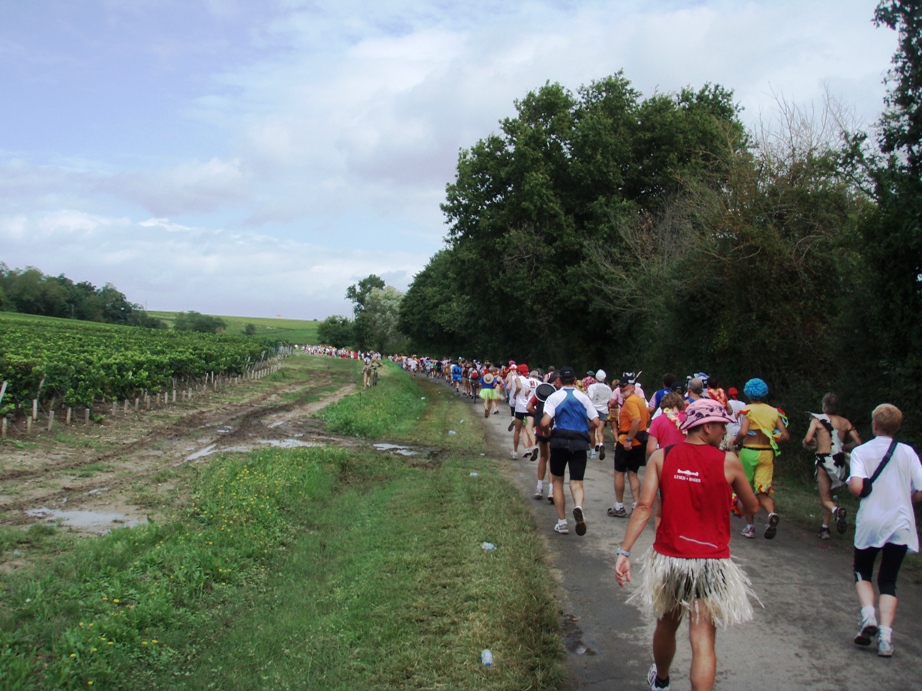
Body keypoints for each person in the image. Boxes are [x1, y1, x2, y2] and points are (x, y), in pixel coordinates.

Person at [614, 399, 760, 691]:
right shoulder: (727, 461)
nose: (724, 432)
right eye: (721, 426)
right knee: (703, 637)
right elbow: (752, 505)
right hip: (711, 562)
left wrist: (624, 552)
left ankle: (662, 681)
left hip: (671, 559)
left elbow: (644, 506)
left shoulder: (661, 457)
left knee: (666, 624)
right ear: (707, 427)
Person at [847, 404, 922, 657]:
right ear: (897, 427)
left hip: (871, 520)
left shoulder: (861, 451)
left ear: (874, 425)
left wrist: (856, 486)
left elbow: (857, 487)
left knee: (862, 570)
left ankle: (868, 615)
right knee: (889, 580)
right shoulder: (908, 453)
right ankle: (886, 639)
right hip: (900, 523)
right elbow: (920, 490)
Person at [540, 366, 601, 536]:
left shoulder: (554, 397)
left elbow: (545, 422)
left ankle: (562, 522)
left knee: (558, 481)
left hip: (559, 440)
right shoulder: (583, 397)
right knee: (577, 481)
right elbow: (596, 422)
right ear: (575, 381)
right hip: (579, 442)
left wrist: (548, 433)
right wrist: (583, 428)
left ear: (559, 381)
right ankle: (578, 507)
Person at [732, 378, 789, 539]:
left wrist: (734, 441)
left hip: (749, 451)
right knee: (763, 490)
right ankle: (771, 514)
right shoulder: (773, 411)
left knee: (745, 490)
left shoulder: (748, 410)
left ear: (748, 392)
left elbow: (743, 432)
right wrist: (771, 438)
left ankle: (750, 527)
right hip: (767, 452)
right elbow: (785, 435)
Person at [802, 393, 861, 539]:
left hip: (824, 459)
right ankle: (825, 527)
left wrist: (809, 443)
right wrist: (845, 446)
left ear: (824, 405)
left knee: (825, 498)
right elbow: (858, 443)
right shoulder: (845, 422)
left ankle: (837, 511)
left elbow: (808, 439)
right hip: (839, 460)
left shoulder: (817, 419)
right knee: (830, 495)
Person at [609, 373, 650, 518]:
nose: (621, 389)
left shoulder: (631, 402)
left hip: (627, 440)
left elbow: (637, 420)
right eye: (620, 386)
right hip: (640, 441)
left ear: (632, 388)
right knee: (633, 473)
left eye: (624, 386)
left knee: (619, 472)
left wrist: (628, 439)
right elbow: (646, 417)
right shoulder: (640, 401)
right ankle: (635, 504)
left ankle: (619, 506)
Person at [528, 373, 562, 501]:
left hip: (540, 429)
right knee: (552, 459)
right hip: (553, 429)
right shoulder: (559, 394)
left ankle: (539, 487)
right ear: (557, 381)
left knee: (543, 457)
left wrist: (539, 416)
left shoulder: (540, 392)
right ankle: (552, 490)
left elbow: (529, 407)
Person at [586, 369, 612, 460]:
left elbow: (590, 397)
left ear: (596, 377)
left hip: (593, 410)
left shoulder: (592, 387)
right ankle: (601, 444)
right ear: (604, 378)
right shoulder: (608, 388)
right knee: (600, 431)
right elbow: (610, 400)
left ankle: (592, 452)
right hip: (603, 410)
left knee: (592, 432)